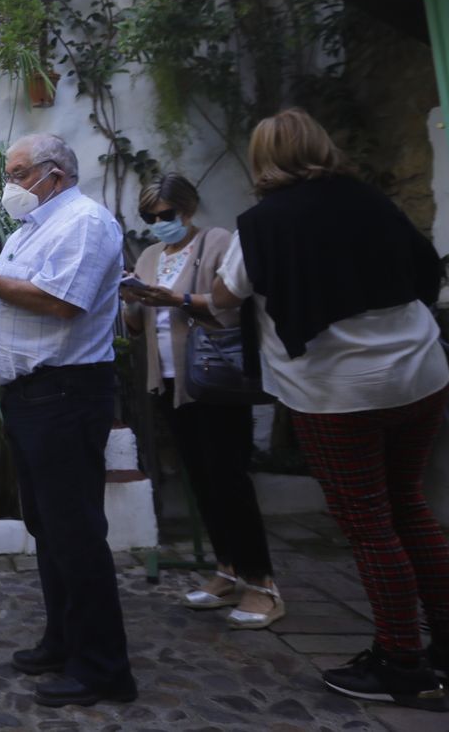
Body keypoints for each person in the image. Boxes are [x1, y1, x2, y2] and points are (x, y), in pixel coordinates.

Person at [210, 108, 449, 710]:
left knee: (368, 523)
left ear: (262, 159)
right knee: (409, 506)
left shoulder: (260, 225)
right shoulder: (371, 201)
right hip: (418, 376)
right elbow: (426, 269)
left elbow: (225, 299)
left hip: (337, 393)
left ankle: (402, 663)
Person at [0, 133, 136, 709]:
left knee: (75, 531)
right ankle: (65, 640)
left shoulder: (85, 221)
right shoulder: (31, 229)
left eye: (20, 173)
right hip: (33, 397)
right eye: (9, 174)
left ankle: (104, 668)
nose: (11, 185)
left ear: (57, 173)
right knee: (49, 528)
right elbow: (17, 294)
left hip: (65, 394)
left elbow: (61, 301)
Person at [121, 174, 283, 628]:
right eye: (149, 216)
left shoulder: (217, 242)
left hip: (216, 379)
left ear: (187, 209)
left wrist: (178, 299)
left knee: (230, 479)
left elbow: (231, 304)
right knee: (201, 480)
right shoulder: (150, 256)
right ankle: (226, 570)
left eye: (165, 214)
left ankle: (262, 583)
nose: (158, 222)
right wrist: (131, 299)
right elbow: (136, 326)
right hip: (171, 382)